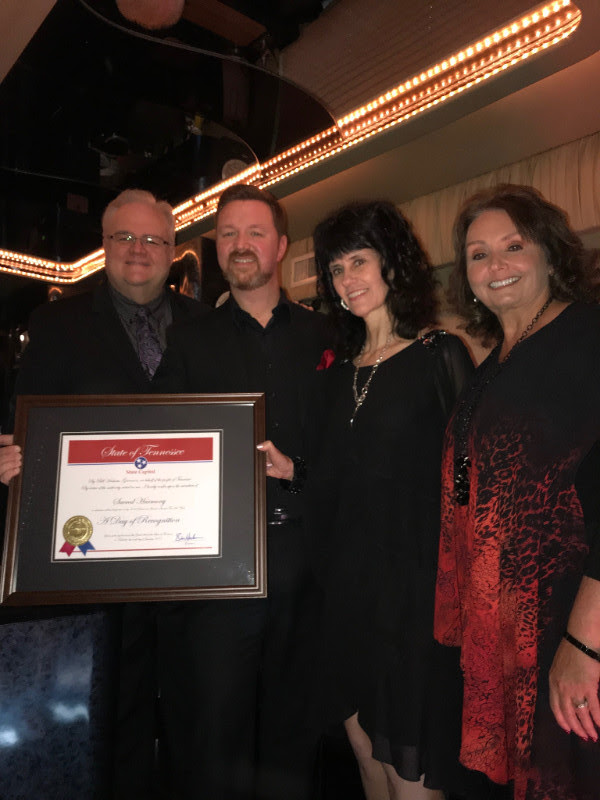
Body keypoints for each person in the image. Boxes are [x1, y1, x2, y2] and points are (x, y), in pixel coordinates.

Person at [2, 188, 207, 799]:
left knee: (191, 715)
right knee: (109, 710)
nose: (138, 251)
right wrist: (13, 452)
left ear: (174, 252)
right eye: (124, 238)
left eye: (153, 240)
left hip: (187, 556)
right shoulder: (56, 322)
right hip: (96, 560)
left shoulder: (206, 325)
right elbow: (30, 425)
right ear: (104, 246)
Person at [154, 184, 332, 800]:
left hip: (308, 567)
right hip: (222, 570)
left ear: (281, 246)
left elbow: (347, 450)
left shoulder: (328, 337)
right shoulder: (189, 341)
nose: (240, 245)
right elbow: (153, 440)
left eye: (254, 232)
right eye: (227, 234)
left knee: (294, 735)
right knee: (216, 737)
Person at [434, 184, 600, 800]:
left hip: (569, 620)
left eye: (513, 246)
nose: (495, 265)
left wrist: (584, 644)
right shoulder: (496, 360)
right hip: (508, 629)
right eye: (478, 254)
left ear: (552, 254)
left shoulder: (587, 338)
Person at [309, 200, 473, 800]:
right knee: (366, 765)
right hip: (347, 599)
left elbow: (474, 487)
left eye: (359, 261)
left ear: (393, 266)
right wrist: (291, 472)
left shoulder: (439, 356)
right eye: (335, 270)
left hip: (413, 603)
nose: (347, 280)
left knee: (412, 776)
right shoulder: (336, 375)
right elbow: (337, 487)